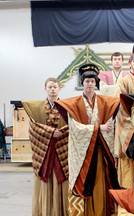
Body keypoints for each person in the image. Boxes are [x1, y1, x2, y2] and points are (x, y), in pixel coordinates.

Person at [55, 64, 120, 216]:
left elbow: (109, 123)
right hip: (83, 154)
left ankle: (102, 211)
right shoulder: (74, 104)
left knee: (101, 180)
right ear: (82, 84)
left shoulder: (104, 102)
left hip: (100, 149)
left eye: (92, 81)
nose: (90, 84)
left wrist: (101, 128)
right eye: (87, 81)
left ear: (96, 83)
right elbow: (75, 128)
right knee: (85, 180)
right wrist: (98, 128)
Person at [22, 77, 69, 216]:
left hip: (61, 150)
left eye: (55, 87)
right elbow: (33, 128)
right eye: (50, 87)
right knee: (45, 182)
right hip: (44, 152)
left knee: (62, 183)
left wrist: (60, 133)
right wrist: (50, 133)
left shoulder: (66, 106)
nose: (53, 89)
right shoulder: (37, 108)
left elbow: (73, 126)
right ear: (45, 89)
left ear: (59, 88)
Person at [115, 43, 134, 189]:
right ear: (130, 63)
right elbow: (120, 104)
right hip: (129, 125)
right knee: (129, 159)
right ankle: (128, 191)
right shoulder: (124, 81)